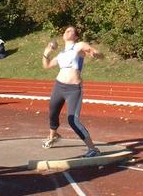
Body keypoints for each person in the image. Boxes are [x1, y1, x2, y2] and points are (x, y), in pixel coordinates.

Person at [42, 26, 104, 157]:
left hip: (73, 89)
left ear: (76, 37)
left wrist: (96, 54)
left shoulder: (79, 46)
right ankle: (53, 137)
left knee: (72, 120)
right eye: (66, 30)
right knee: (52, 113)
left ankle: (93, 149)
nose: (67, 32)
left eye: (70, 31)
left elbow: (97, 53)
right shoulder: (61, 54)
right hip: (59, 86)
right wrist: (46, 53)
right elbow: (46, 65)